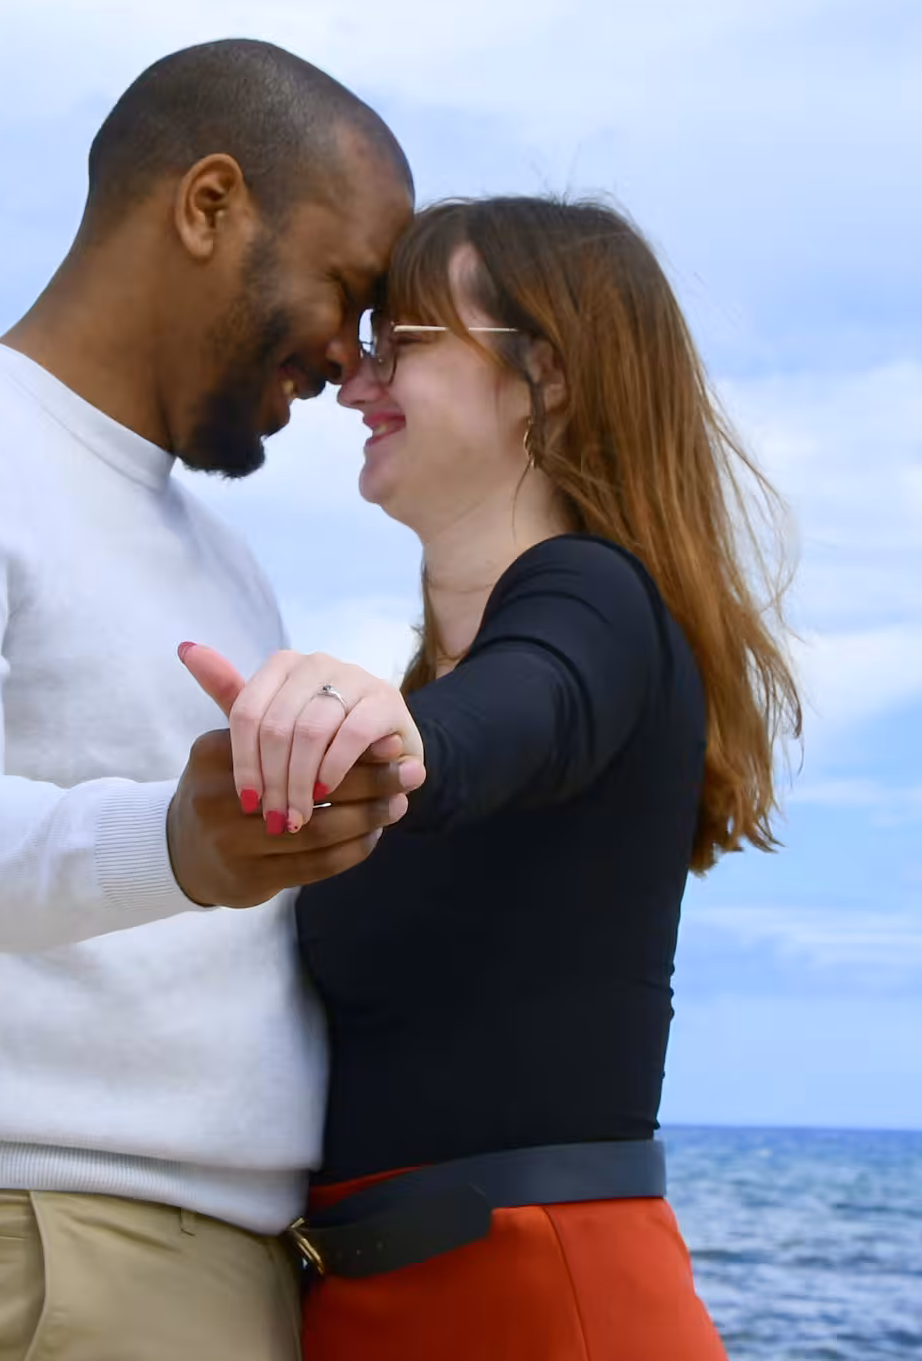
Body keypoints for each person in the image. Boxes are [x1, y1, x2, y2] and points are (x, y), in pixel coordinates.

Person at [0, 39, 420, 1361]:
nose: (349, 359)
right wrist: (178, 841)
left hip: (204, 1263)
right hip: (32, 1256)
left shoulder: (227, 561)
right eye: (348, 289)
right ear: (208, 204)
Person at [182, 195, 801, 1359]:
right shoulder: (437, 683)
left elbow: (529, 705)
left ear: (545, 374)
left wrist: (399, 740)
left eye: (402, 344)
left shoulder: (595, 599)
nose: (357, 385)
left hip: (540, 1303)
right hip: (378, 1307)